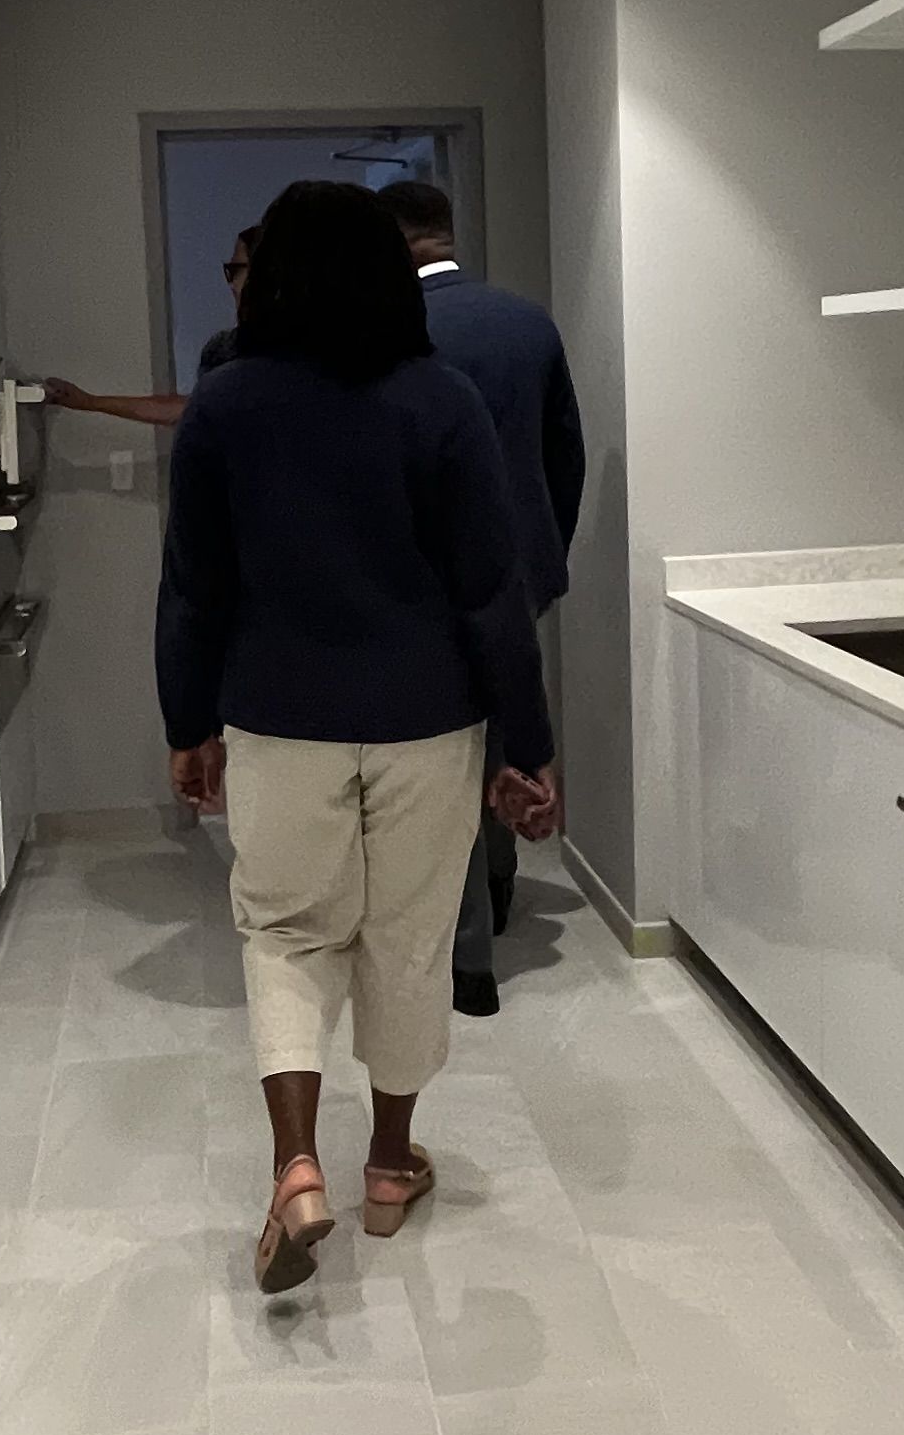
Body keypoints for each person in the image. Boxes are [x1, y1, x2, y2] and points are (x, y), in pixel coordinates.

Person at [156, 180, 559, 1295]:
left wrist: (187, 723)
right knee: (409, 938)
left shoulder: (228, 408)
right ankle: (388, 1164)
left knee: (285, 935)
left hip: (278, 718)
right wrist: (525, 742)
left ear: (267, 274)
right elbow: (492, 590)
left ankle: (296, 1168)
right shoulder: (440, 404)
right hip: (428, 719)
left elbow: (193, 588)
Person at [377, 174, 584, 1017]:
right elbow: (564, 453)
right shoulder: (527, 322)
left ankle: (466, 963)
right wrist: (543, 554)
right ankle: (500, 889)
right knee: (506, 727)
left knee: (441, 764)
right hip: (519, 570)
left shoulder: (387, 331)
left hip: (422, 580)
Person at [41, 224, 250, 430]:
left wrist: (90, 402)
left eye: (236, 270)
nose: (231, 284)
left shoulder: (265, 355)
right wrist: (89, 402)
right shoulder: (224, 349)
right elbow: (189, 409)